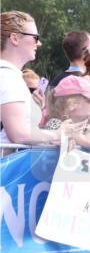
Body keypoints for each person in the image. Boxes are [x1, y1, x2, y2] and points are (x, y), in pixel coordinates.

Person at [1, 11, 62, 151]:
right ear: (15, 38)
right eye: (35, 38)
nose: (39, 43)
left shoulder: (8, 75)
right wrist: (59, 134)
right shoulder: (7, 76)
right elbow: (18, 134)